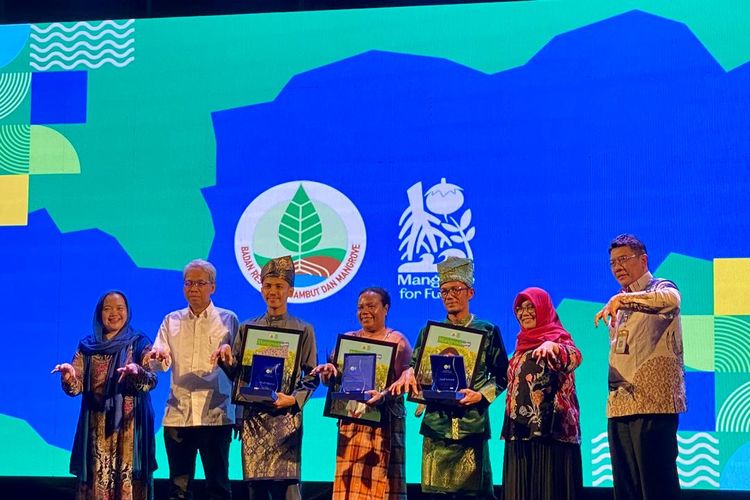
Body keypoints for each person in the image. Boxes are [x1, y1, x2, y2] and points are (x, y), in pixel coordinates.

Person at [390, 256, 508, 499]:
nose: (450, 295)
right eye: (444, 291)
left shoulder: (487, 330)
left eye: (456, 289)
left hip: (471, 425)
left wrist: (481, 395)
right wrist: (413, 382)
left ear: (470, 293)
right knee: (436, 494)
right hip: (437, 426)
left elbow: (502, 376)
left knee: (474, 494)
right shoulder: (429, 332)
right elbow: (416, 370)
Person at [213, 255, 319, 500]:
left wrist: (292, 400)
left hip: (286, 420)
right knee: (255, 489)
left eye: (279, 286)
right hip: (254, 420)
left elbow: (312, 376)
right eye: (268, 286)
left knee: (288, 490)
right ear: (261, 289)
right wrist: (225, 359)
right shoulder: (247, 328)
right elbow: (237, 376)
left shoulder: (304, 329)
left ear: (290, 290)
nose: (273, 292)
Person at [594, 234, 685, 500]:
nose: (617, 267)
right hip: (621, 405)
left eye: (623, 259)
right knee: (626, 487)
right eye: (613, 262)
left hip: (654, 404)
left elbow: (672, 300)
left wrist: (623, 301)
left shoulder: (660, 287)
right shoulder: (619, 302)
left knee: (656, 486)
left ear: (643, 259)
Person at [145, 259, 238, 500]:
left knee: (218, 486)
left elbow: (239, 369)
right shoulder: (171, 321)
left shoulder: (228, 320)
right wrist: (157, 357)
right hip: (179, 413)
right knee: (179, 488)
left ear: (213, 287)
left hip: (216, 414)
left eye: (199, 283)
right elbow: (158, 364)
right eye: (188, 283)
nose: (193, 288)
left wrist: (229, 360)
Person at [52, 291, 157, 500]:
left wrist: (138, 372)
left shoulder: (139, 342)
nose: (114, 313)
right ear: (99, 313)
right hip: (95, 430)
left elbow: (152, 380)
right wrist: (68, 377)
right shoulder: (87, 346)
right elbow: (75, 388)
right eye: (108, 308)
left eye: (120, 308)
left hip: (130, 428)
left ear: (128, 312)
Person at [312, 287, 413, 499]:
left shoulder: (398, 342)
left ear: (386, 309)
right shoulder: (349, 339)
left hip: (384, 425)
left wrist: (384, 394)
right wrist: (329, 374)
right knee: (349, 486)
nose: (364, 311)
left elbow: (407, 382)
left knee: (383, 489)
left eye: (371, 306)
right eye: (360, 307)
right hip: (352, 424)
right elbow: (334, 380)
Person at [501, 287, 583, 500]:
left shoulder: (559, 339)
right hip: (519, 432)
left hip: (552, 434)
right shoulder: (521, 345)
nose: (524, 312)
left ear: (543, 308)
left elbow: (574, 357)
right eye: (520, 308)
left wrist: (553, 346)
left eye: (531, 307)